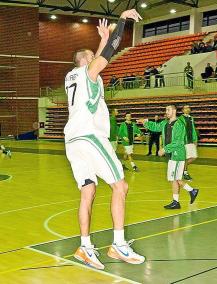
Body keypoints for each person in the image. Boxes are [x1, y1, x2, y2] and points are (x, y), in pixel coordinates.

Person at [64, 11, 145, 270]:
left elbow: (96, 58)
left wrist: (101, 39)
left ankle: (85, 247)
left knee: (88, 191)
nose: (97, 59)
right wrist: (121, 20)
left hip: (72, 141)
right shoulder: (89, 73)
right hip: (90, 136)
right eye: (92, 56)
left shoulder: (72, 77)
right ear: (86, 61)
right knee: (120, 187)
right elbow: (108, 52)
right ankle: (118, 245)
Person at [140, 105, 199, 209]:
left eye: (168, 110)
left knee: (174, 179)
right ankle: (191, 191)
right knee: (176, 179)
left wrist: (164, 149)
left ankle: (178, 200)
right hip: (171, 155)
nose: (166, 112)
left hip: (177, 155)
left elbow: (178, 142)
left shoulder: (179, 124)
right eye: (166, 110)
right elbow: (155, 127)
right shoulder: (165, 123)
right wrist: (145, 122)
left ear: (174, 111)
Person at [180, 105, 198, 181]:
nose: (188, 109)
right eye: (186, 108)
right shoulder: (180, 119)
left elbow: (193, 129)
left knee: (194, 157)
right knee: (186, 158)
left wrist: (195, 139)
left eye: (189, 108)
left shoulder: (191, 118)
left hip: (191, 140)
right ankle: (185, 173)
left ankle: (181, 169)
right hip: (184, 141)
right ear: (183, 110)